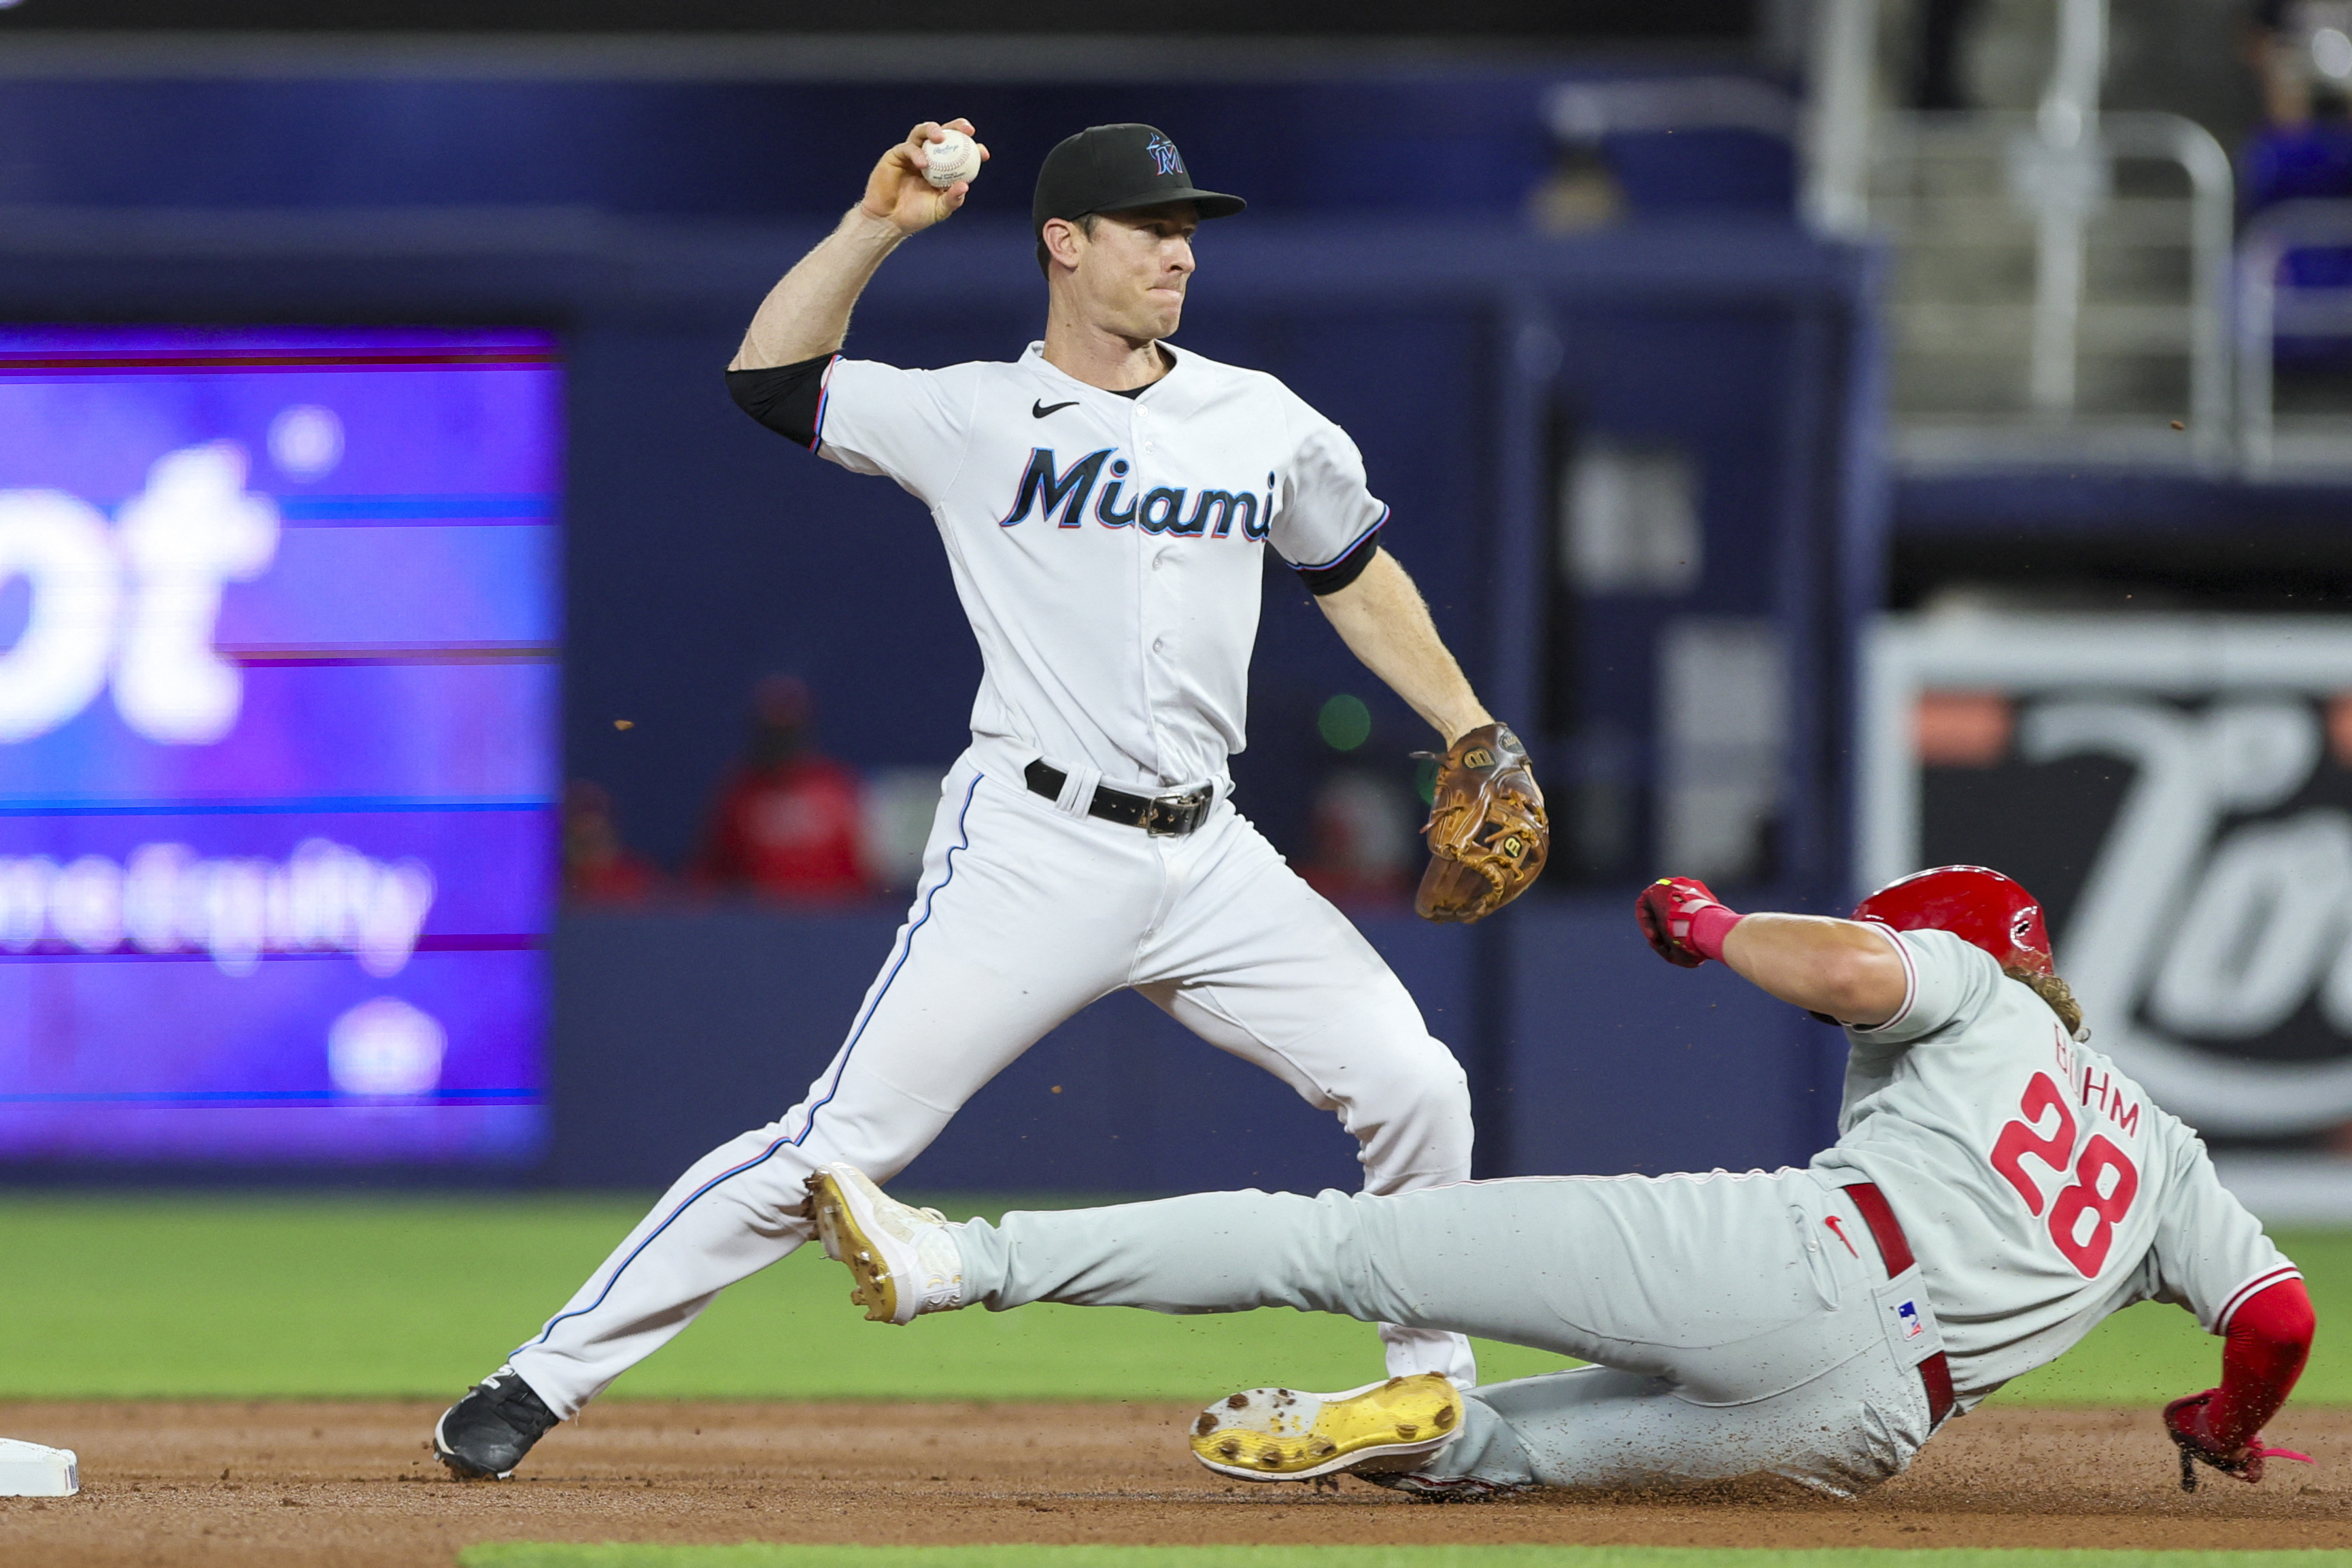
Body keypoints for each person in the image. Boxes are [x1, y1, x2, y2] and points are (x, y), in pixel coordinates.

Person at [430, 118, 1530, 1478]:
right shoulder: (972, 415)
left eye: (1189, 229)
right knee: (835, 1150)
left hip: (1213, 852)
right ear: (1064, 245)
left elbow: (1351, 571)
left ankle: (1423, 1384)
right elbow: (770, 379)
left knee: (1416, 1084)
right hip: (1035, 842)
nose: (1180, 252)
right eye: (1151, 227)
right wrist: (877, 226)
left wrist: (1470, 724)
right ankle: (537, 1378)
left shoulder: (1263, 420)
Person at [799, 865, 2315, 1499]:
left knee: (1337, 1242)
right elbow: (2276, 1323)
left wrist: (1714, 923)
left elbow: (1856, 965)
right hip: (1861, 1426)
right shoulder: (2166, 1158)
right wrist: (2217, 1424)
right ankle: (1436, 1433)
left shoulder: (1965, 990)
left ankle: (959, 1262)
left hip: (1798, 1261)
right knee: (1505, 1471)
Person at [692, 675, 871, 902]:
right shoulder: (740, 794)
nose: (781, 742)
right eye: (773, 732)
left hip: (828, 920)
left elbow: (861, 877)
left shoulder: (838, 790)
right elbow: (713, 874)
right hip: (757, 924)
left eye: (788, 733)